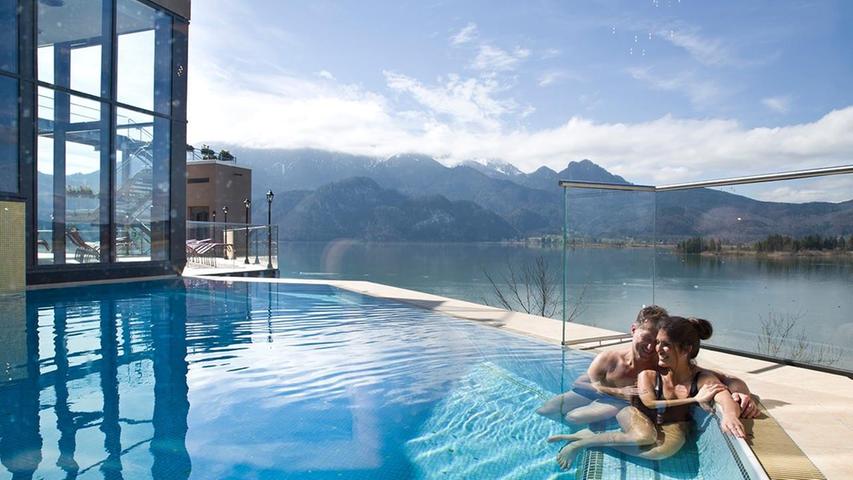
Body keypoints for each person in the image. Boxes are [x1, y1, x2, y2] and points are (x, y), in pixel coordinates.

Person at [547, 316, 746, 470]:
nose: (657, 349)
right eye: (658, 342)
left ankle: (595, 438)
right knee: (644, 436)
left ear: (686, 349)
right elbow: (649, 403)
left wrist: (730, 413)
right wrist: (694, 399)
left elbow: (722, 392)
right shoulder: (651, 372)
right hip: (636, 414)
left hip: (674, 425)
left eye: (664, 344)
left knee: (660, 452)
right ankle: (583, 444)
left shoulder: (700, 377)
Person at [536, 306, 757, 425]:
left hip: (625, 405)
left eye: (659, 341)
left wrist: (741, 396)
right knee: (546, 410)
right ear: (633, 329)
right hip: (606, 394)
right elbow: (579, 384)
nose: (653, 347)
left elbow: (727, 380)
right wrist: (614, 391)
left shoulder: (661, 365)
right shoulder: (611, 359)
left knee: (576, 418)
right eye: (649, 338)